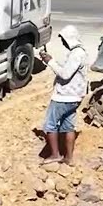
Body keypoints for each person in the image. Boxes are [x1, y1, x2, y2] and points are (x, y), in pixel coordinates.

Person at [37, 25, 89, 164]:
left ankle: (55, 155)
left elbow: (65, 74)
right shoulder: (80, 52)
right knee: (68, 127)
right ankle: (69, 158)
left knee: (50, 125)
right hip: (75, 97)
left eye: (63, 40)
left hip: (65, 96)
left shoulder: (76, 54)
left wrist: (50, 62)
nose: (63, 43)